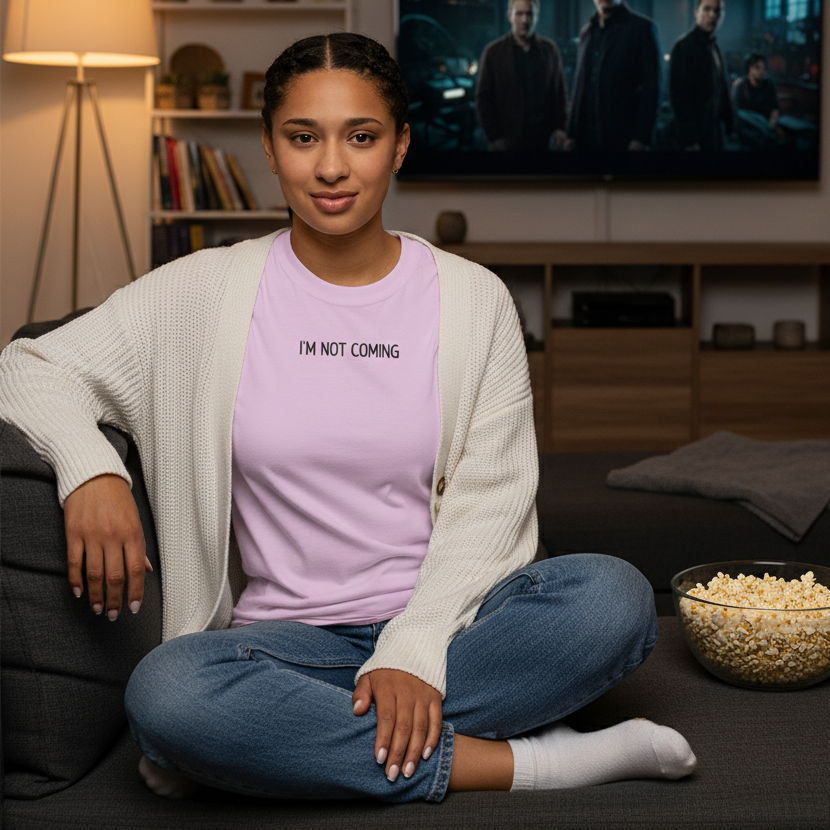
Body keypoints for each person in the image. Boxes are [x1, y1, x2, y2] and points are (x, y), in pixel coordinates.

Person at [0, 33, 696, 803]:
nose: (331, 167)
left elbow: (493, 500)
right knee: (168, 691)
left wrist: (415, 647)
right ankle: (532, 764)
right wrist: (89, 469)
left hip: (456, 627)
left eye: (360, 137)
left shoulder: (471, 298)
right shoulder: (198, 293)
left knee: (615, 599)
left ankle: (272, 748)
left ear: (399, 146)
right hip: (283, 649)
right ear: (269, 146)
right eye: (303, 138)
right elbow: (27, 365)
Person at [565, 0, 662, 152]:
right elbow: (579, 86)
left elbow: (652, 89)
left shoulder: (642, 28)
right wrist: (571, 133)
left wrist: (641, 138)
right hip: (584, 138)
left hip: (622, 138)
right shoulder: (587, 31)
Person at [475, 0, 568, 151]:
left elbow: (559, 94)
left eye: (530, 14)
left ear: (537, 16)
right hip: (508, 140)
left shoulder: (550, 50)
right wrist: (494, 137)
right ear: (509, 16)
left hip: (543, 140)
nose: (525, 20)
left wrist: (561, 128)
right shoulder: (493, 52)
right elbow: (484, 98)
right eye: (519, 14)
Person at [669, 0, 733, 152]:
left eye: (717, 10)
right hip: (697, 137)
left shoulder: (714, 47)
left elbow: (721, 90)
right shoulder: (684, 47)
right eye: (707, 9)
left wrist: (729, 125)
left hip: (715, 132)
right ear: (696, 12)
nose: (712, 15)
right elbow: (680, 98)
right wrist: (689, 139)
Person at [731, 53, 780, 127]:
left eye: (763, 68)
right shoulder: (741, 85)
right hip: (746, 127)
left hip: (765, 126)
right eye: (757, 67)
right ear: (750, 68)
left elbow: (774, 108)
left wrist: (772, 124)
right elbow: (736, 112)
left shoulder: (768, 85)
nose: (761, 71)